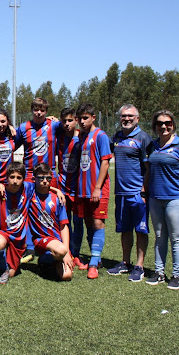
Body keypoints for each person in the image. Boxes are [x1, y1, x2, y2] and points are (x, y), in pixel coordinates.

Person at [145, 110, 179, 290]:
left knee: (176, 238)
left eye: (167, 123)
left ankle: (176, 276)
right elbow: (148, 172)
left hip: (175, 200)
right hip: (155, 199)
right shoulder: (152, 147)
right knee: (159, 237)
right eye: (159, 123)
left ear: (173, 125)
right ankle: (159, 272)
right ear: (155, 126)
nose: (163, 126)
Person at [107, 104, 152, 282]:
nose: (126, 119)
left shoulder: (143, 138)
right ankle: (125, 262)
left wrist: (144, 191)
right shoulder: (116, 137)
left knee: (140, 230)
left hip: (138, 193)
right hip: (121, 193)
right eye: (123, 116)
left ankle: (139, 266)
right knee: (124, 229)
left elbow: (149, 168)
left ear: (137, 119)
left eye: (130, 116)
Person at [74, 103, 112, 279]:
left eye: (85, 118)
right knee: (89, 223)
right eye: (79, 118)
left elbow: (105, 162)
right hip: (82, 190)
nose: (82, 121)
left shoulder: (100, 136)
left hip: (97, 189)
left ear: (93, 117)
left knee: (97, 223)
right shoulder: (81, 136)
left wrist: (97, 187)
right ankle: (94, 259)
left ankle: (94, 264)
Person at [0, 162, 33, 285]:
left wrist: (57, 191)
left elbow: (43, 186)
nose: (15, 181)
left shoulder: (28, 188)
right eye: (12, 177)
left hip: (19, 236)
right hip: (3, 231)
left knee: (13, 274)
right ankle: (3, 266)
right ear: (6, 177)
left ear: (23, 179)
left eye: (19, 178)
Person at [28, 163, 73, 281]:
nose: (44, 181)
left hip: (57, 242)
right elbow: (15, 184)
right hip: (40, 239)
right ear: (34, 179)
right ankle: (45, 260)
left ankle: (46, 263)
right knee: (61, 251)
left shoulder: (57, 199)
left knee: (67, 276)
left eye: (48, 178)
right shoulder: (29, 193)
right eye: (40, 178)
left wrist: (67, 252)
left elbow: (64, 226)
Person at [56, 108, 86, 270]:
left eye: (70, 120)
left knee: (78, 222)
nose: (67, 124)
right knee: (63, 221)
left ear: (76, 121)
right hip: (62, 186)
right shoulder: (58, 138)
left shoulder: (82, 137)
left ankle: (76, 253)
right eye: (64, 121)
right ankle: (64, 251)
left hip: (79, 187)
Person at [16, 97, 61, 184]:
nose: (39, 113)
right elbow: (13, 145)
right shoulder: (23, 127)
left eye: (42, 110)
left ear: (46, 111)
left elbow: (70, 126)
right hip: (30, 174)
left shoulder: (54, 125)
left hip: (49, 173)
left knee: (51, 198)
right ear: (31, 110)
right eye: (36, 110)